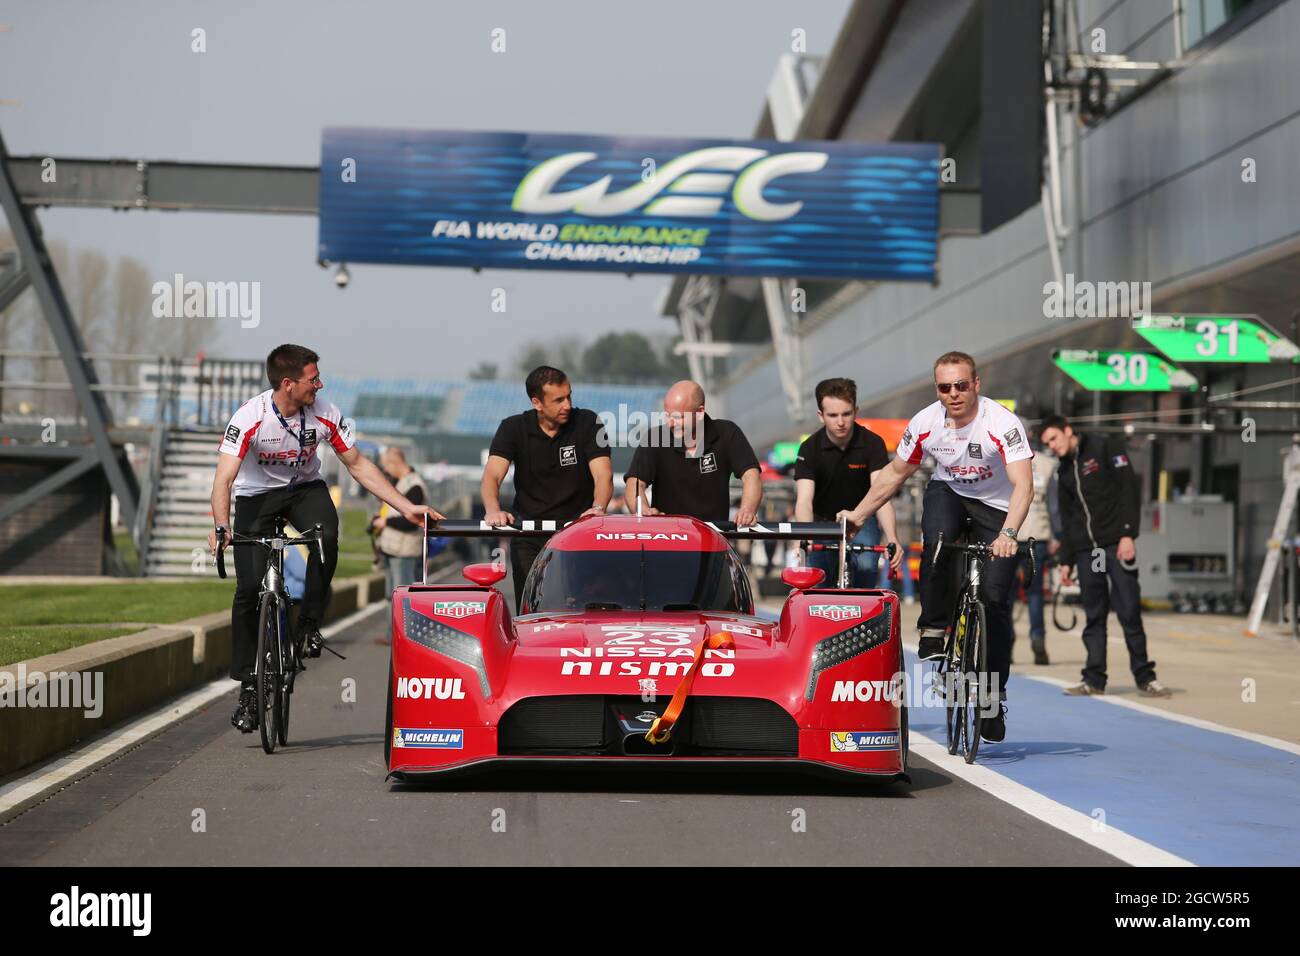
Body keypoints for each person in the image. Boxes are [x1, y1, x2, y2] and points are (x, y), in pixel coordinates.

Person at [209, 344, 440, 734]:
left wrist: (405, 507)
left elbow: (358, 464)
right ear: (288, 384)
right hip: (256, 497)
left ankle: (309, 623)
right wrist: (221, 525)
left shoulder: (325, 413)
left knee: (326, 536)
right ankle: (249, 687)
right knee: (248, 590)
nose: (320, 385)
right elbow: (223, 479)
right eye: (313, 379)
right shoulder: (250, 417)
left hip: (304, 491)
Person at [836, 351, 1034, 743]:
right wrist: (859, 514)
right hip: (950, 493)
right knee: (938, 542)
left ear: (976, 384)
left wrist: (1009, 534)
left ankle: (992, 698)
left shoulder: (1001, 423)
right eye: (945, 387)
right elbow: (894, 474)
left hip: (998, 506)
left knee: (994, 602)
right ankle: (932, 626)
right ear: (937, 390)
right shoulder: (926, 422)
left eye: (961, 385)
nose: (954, 394)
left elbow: (1024, 485)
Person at [1039, 415, 1172, 698]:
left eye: (1053, 438)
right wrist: (1066, 560)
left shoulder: (1105, 448)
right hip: (1088, 551)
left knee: (1129, 611)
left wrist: (1127, 534)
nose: (1051, 446)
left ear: (1067, 430)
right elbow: (1067, 518)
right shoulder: (1063, 470)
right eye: (1047, 443)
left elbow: (1128, 489)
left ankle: (1145, 677)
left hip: (1115, 544)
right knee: (1094, 616)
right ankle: (1094, 679)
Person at [482, 366, 612, 613]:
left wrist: (598, 508)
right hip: (529, 535)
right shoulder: (512, 428)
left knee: (582, 610)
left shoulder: (588, 422)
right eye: (559, 400)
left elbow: (603, 474)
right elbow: (492, 475)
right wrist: (492, 509)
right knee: (531, 610)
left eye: (569, 396)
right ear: (537, 403)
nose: (567, 405)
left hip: (578, 532)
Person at [793, 377, 904, 586]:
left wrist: (892, 538)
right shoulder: (809, 448)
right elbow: (804, 500)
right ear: (820, 416)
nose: (841, 422)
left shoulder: (873, 443)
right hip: (822, 523)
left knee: (866, 567)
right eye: (832, 415)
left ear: (856, 411)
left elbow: (882, 496)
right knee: (820, 581)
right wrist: (803, 537)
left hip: (863, 519)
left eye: (846, 414)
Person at [623, 380, 761, 525]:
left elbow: (751, 475)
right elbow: (635, 482)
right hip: (667, 533)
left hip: (713, 534)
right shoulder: (655, 438)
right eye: (668, 415)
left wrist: (747, 509)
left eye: (678, 417)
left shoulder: (727, 433)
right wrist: (642, 509)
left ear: (700, 412)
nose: (670, 423)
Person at [1015, 439, 1058, 665]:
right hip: (1037, 536)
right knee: (1035, 594)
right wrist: (1057, 536)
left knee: (1004, 594)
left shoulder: (1003, 461)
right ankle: (1038, 639)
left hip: (1008, 537)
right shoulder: (1047, 464)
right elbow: (1054, 506)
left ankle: (1006, 642)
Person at [371, 446, 429, 595]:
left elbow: (412, 521)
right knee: (391, 596)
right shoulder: (401, 481)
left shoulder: (415, 486)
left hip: (404, 551)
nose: (386, 471)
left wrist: (386, 522)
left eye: (386, 466)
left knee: (403, 597)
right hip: (392, 548)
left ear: (394, 463)